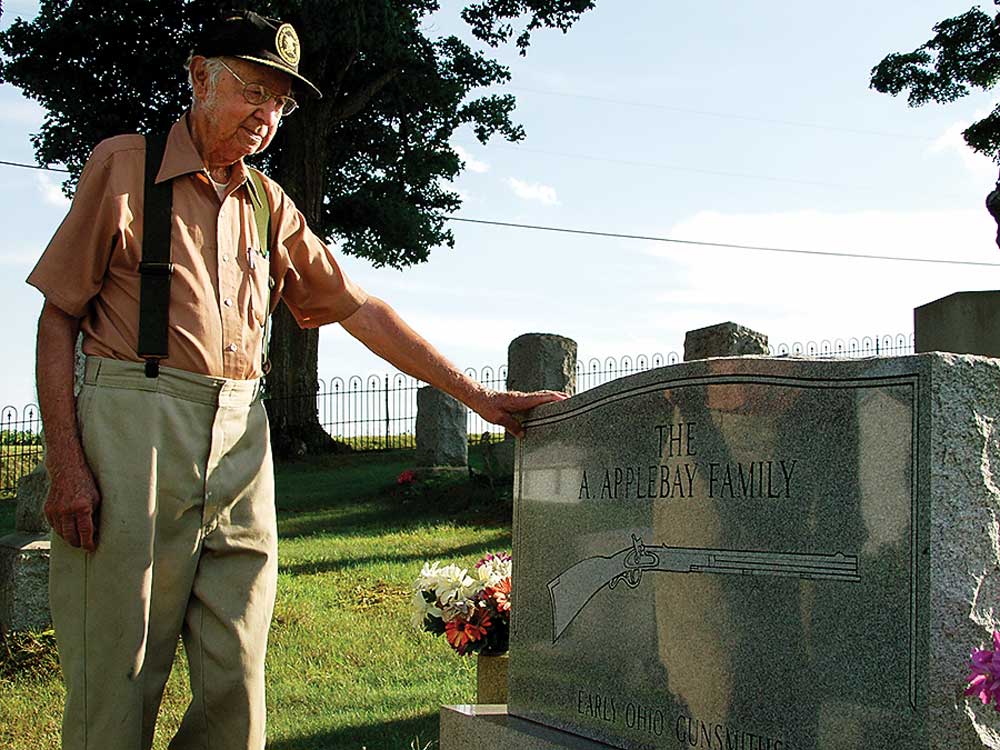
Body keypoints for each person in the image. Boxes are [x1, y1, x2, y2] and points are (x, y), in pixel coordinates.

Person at [28, 11, 565, 750]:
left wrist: (479, 399)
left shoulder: (267, 203)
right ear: (198, 75)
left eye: (280, 102)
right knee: (116, 679)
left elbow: (358, 308)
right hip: (134, 426)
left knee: (237, 677)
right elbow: (57, 320)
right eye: (252, 90)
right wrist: (66, 464)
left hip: (242, 441)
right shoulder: (123, 166)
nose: (266, 114)